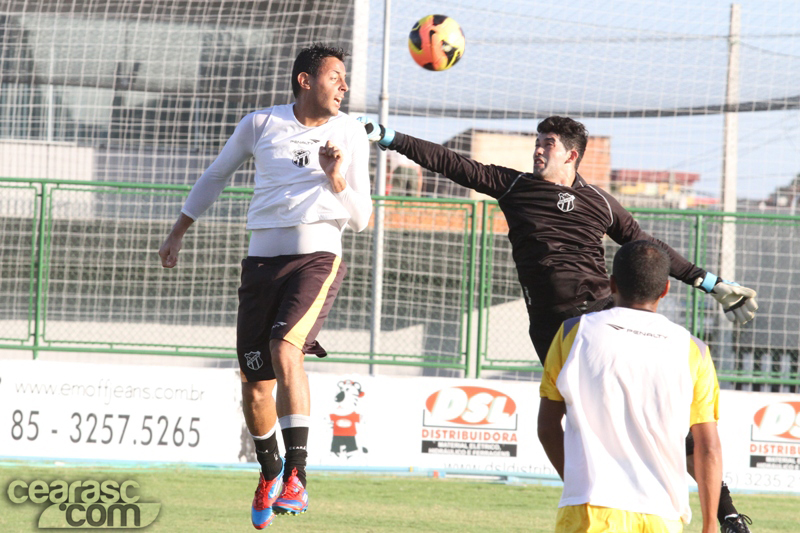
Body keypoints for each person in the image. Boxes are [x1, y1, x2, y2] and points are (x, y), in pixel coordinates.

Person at [360, 116, 754, 532]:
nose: (537, 149)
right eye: (537, 141)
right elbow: (452, 163)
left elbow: (646, 246)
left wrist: (711, 283)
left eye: (547, 143)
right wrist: (391, 137)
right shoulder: (515, 186)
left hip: (604, 319)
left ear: (571, 154)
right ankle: (593, 490)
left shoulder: (599, 201)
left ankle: (725, 513)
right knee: (577, 419)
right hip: (557, 328)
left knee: (668, 419)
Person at [159, 44, 372, 529]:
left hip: (317, 258)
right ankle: (271, 470)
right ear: (305, 80)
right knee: (255, 385)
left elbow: (363, 219)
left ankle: (297, 474)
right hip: (260, 264)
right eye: (335, 76)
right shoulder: (260, 123)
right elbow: (216, 175)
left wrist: (336, 178)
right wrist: (177, 231)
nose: (344, 86)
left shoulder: (351, 132)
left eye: (345, 78)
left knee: (285, 348)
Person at [538, 240, 724, 533]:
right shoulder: (694, 349)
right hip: (663, 514)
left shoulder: (573, 333)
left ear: (611, 284)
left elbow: (547, 427)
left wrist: (577, 481)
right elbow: (708, 447)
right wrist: (711, 523)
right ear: (665, 289)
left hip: (589, 511)